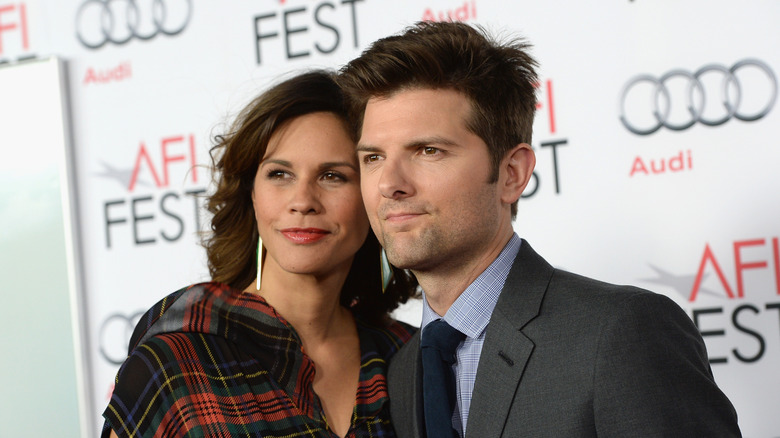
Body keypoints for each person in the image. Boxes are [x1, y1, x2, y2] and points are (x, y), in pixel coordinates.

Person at [338, 21, 741, 438]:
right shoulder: (403, 372)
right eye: (372, 158)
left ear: (512, 173)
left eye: (428, 151)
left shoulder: (621, 335)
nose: (389, 183)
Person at [102, 71, 417, 438]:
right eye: (280, 174)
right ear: (252, 193)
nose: (302, 201)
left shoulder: (408, 358)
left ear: (372, 196)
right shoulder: (177, 361)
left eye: (333, 176)